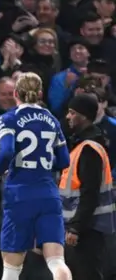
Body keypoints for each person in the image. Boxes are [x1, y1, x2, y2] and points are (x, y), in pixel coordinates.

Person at [0, 72, 72, 280]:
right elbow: (64, 161)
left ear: (16, 93)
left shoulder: (8, 118)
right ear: (40, 93)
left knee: (11, 267)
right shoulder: (52, 120)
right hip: (48, 193)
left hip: (20, 194)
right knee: (57, 261)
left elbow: (5, 152)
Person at [62, 93, 116, 280]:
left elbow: (89, 193)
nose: (68, 117)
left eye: (72, 112)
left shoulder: (89, 148)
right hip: (84, 227)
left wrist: (76, 227)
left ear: (83, 115)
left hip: (87, 229)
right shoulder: (83, 144)